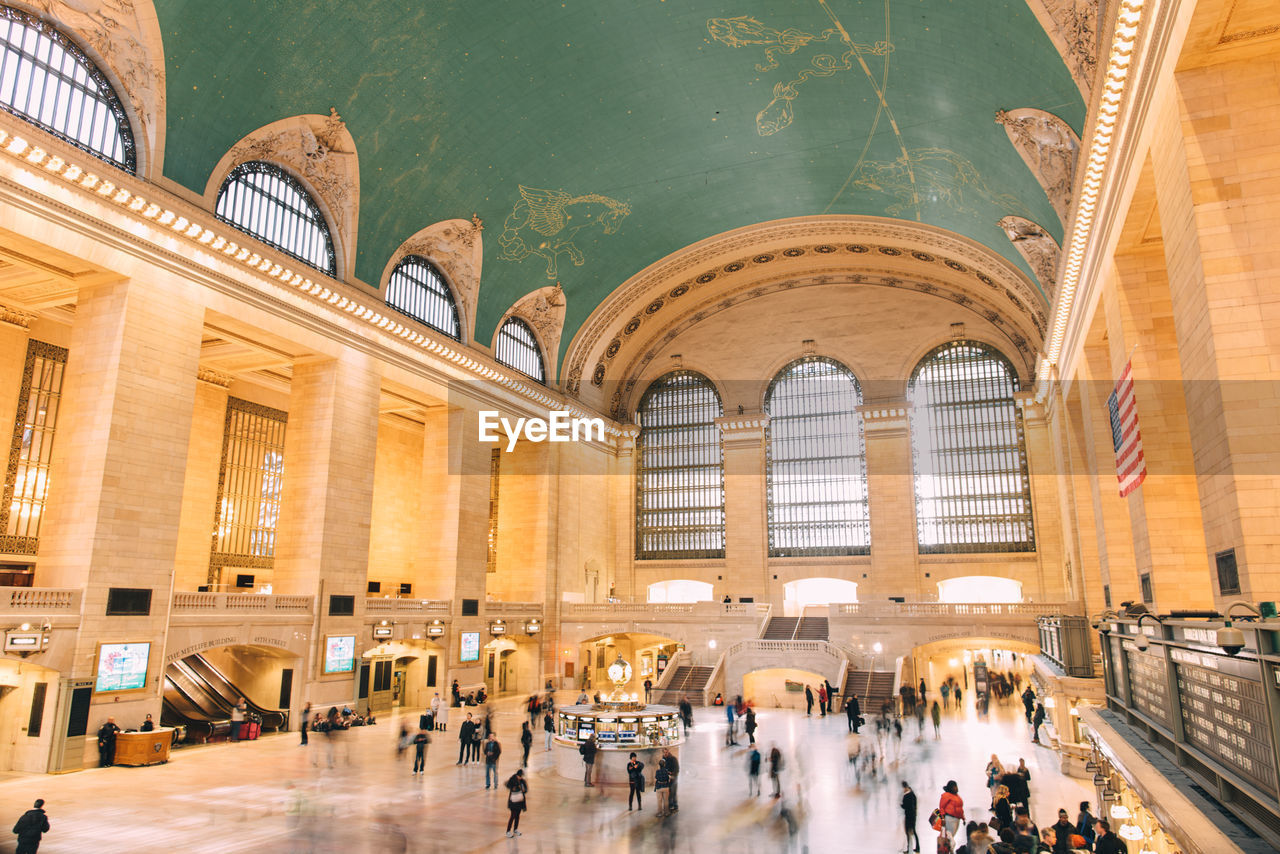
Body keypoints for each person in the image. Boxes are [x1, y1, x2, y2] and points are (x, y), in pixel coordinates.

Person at [504, 768, 528, 838]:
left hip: (520, 801)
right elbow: (507, 784)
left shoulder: (522, 781)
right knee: (512, 816)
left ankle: (515, 829)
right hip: (513, 802)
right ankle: (508, 831)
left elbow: (526, 790)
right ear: (517, 775)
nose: (520, 777)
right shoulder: (512, 779)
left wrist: (524, 790)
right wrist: (513, 787)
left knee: (517, 816)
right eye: (520, 776)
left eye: (521, 776)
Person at [901, 782, 920, 854]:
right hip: (913, 816)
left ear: (905, 788)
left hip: (909, 816)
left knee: (908, 833)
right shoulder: (913, 794)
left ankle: (908, 849)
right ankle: (917, 847)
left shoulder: (906, 796)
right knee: (914, 832)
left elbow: (905, 806)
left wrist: (901, 805)